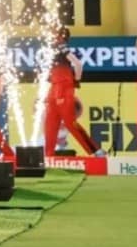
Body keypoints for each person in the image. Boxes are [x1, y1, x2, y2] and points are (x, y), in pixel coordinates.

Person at [43, 26, 103, 157]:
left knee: (70, 123)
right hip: (54, 87)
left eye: (53, 30)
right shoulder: (53, 47)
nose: (49, 32)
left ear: (61, 35)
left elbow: (78, 64)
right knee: (50, 124)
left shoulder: (60, 44)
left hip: (64, 87)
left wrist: (76, 80)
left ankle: (96, 151)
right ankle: (48, 157)